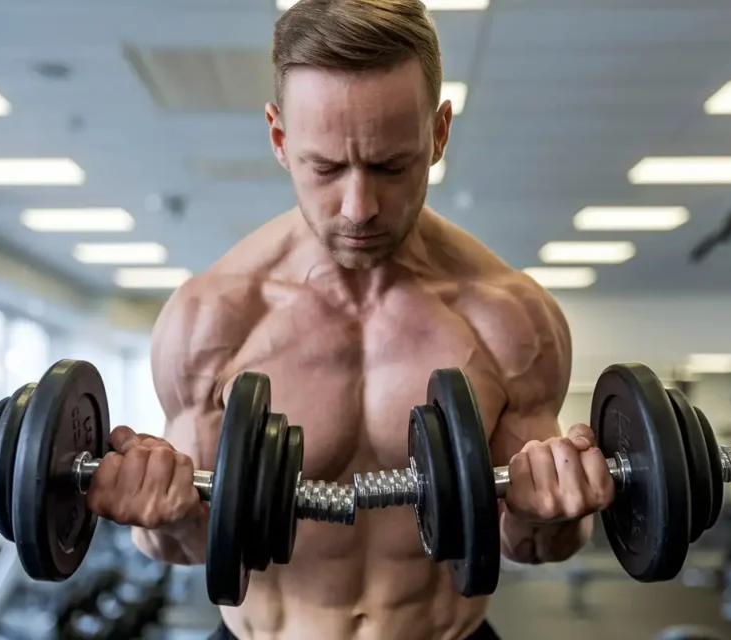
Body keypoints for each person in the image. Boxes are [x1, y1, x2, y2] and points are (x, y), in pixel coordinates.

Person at [86, 1, 616, 638]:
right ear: (280, 139)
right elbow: (186, 546)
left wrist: (551, 510)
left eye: (392, 166)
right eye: (327, 167)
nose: (359, 207)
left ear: (439, 133)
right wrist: (160, 512)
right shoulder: (212, 319)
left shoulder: (509, 318)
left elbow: (532, 544)